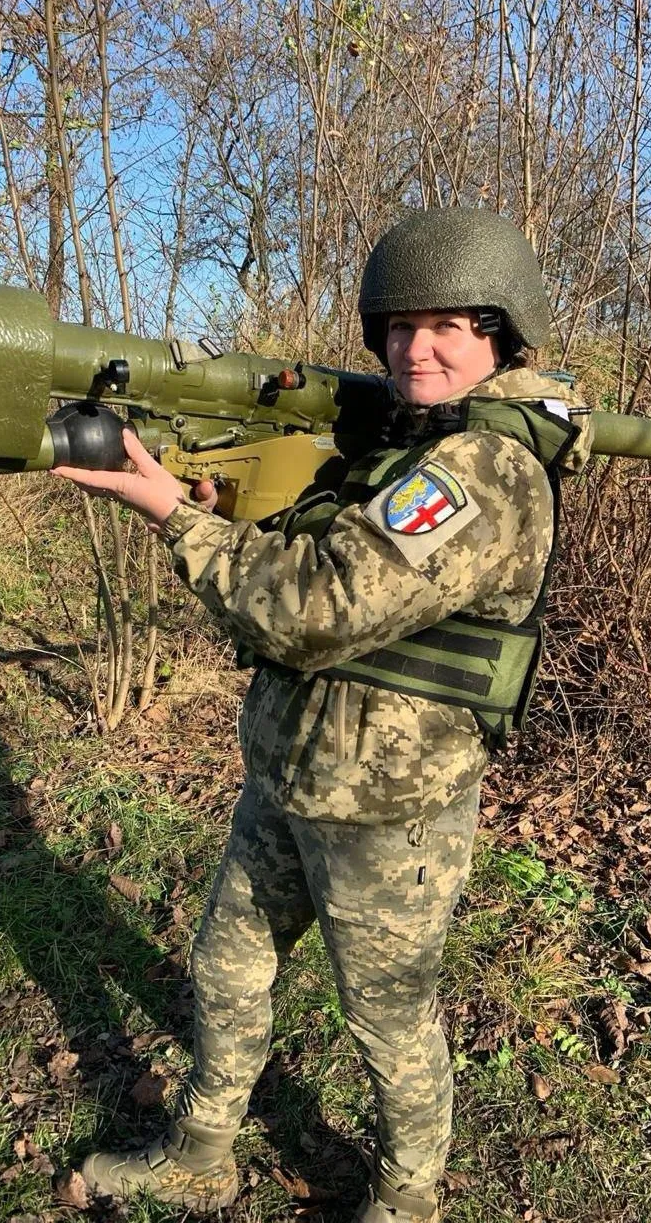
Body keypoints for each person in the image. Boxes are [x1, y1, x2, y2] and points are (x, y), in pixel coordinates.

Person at [53, 208, 591, 1222]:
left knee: (388, 1021)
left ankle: (408, 1199)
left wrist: (174, 514)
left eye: (447, 327)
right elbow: (309, 552)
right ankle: (203, 1153)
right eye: (400, 326)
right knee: (226, 969)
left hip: (391, 809)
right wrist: (233, 501)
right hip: (293, 773)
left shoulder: (484, 470)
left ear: (501, 335)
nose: (416, 348)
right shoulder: (396, 443)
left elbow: (309, 611)